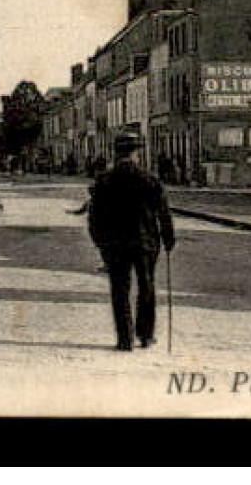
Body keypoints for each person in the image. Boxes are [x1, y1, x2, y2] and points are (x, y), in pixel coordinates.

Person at [87, 131, 176, 351]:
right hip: (145, 243)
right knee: (146, 286)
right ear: (137, 153)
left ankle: (124, 339)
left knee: (119, 289)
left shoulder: (104, 181)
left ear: (116, 154)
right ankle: (145, 335)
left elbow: (94, 217)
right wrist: (168, 238)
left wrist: (100, 242)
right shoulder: (150, 180)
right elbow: (164, 213)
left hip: (115, 245)